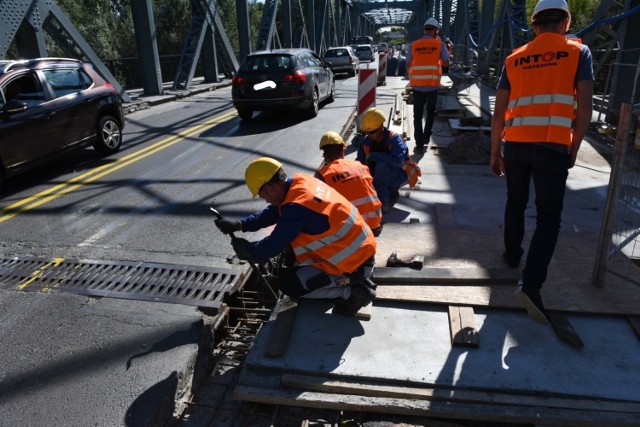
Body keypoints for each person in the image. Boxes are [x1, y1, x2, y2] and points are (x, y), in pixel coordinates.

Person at [490, 0, 594, 325]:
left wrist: (495, 151)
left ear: (534, 26)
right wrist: (573, 148)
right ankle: (531, 285)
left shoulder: (514, 58)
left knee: (515, 202)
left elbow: (498, 112)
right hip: (552, 147)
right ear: (566, 22)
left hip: (517, 144)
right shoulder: (579, 53)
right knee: (549, 219)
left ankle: (512, 256)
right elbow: (586, 108)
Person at [214, 157, 377, 316]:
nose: (266, 201)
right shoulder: (301, 183)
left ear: (271, 189)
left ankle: (351, 291)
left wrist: (248, 250)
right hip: (359, 251)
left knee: (290, 285)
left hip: (354, 264)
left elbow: (272, 246)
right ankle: (346, 280)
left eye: (264, 196)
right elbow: (273, 212)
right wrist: (241, 224)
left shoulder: (297, 207)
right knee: (292, 262)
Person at [315, 131, 383, 236]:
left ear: (325, 156)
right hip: (374, 225)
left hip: (350, 231)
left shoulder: (323, 175)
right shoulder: (360, 166)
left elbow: (317, 205)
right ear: (342, 151)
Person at [356, 108, 421, 214]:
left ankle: (383, 202)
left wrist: (374, 156)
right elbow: (360, 162)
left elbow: (397, 162)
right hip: (377, 175)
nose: (369, 135)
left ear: (381, 126)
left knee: (381, 167)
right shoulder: (365, 143)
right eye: (367, 132)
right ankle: (379, 191)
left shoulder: (394, 139)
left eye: (372, 131)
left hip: (398, 174)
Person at [406, 17, 450, 153]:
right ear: (436, 30)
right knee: (430, 113)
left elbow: (408, 63)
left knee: (417, 116)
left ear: (424, 29)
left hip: (418, 86)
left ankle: (419, 144)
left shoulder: (414, 45)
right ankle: (426, 137)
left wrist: (412, 76)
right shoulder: (440, 45)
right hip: (432, 86)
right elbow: (447, 62)